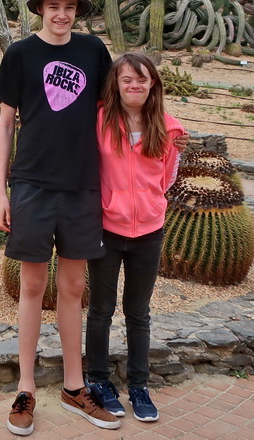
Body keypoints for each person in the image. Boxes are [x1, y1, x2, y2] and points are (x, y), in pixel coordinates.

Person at [0, 0, 122, 435]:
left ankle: (73, 387)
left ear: (78, 11)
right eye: (53, 6)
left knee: (71, 288)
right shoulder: (20, 54)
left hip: (82, 185)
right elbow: (6, 125)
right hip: (32, 185)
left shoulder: (93, 52)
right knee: (31, 287)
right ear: (40, 9)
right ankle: (25, 387)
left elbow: (115, 112)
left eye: (69, 6)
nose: (61, 14)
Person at [85, 52, 185, 423]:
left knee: (138, 312)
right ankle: (98, 381)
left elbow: (167, 178)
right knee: (100, 310)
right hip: (108, 230)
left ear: (153, 84)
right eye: (127, 79)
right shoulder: (100, 121)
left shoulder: (169, 128)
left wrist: (148, 203)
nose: (134, 86)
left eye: (142, 80)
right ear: (117, 84)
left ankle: (139, 386)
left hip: (149, 232)